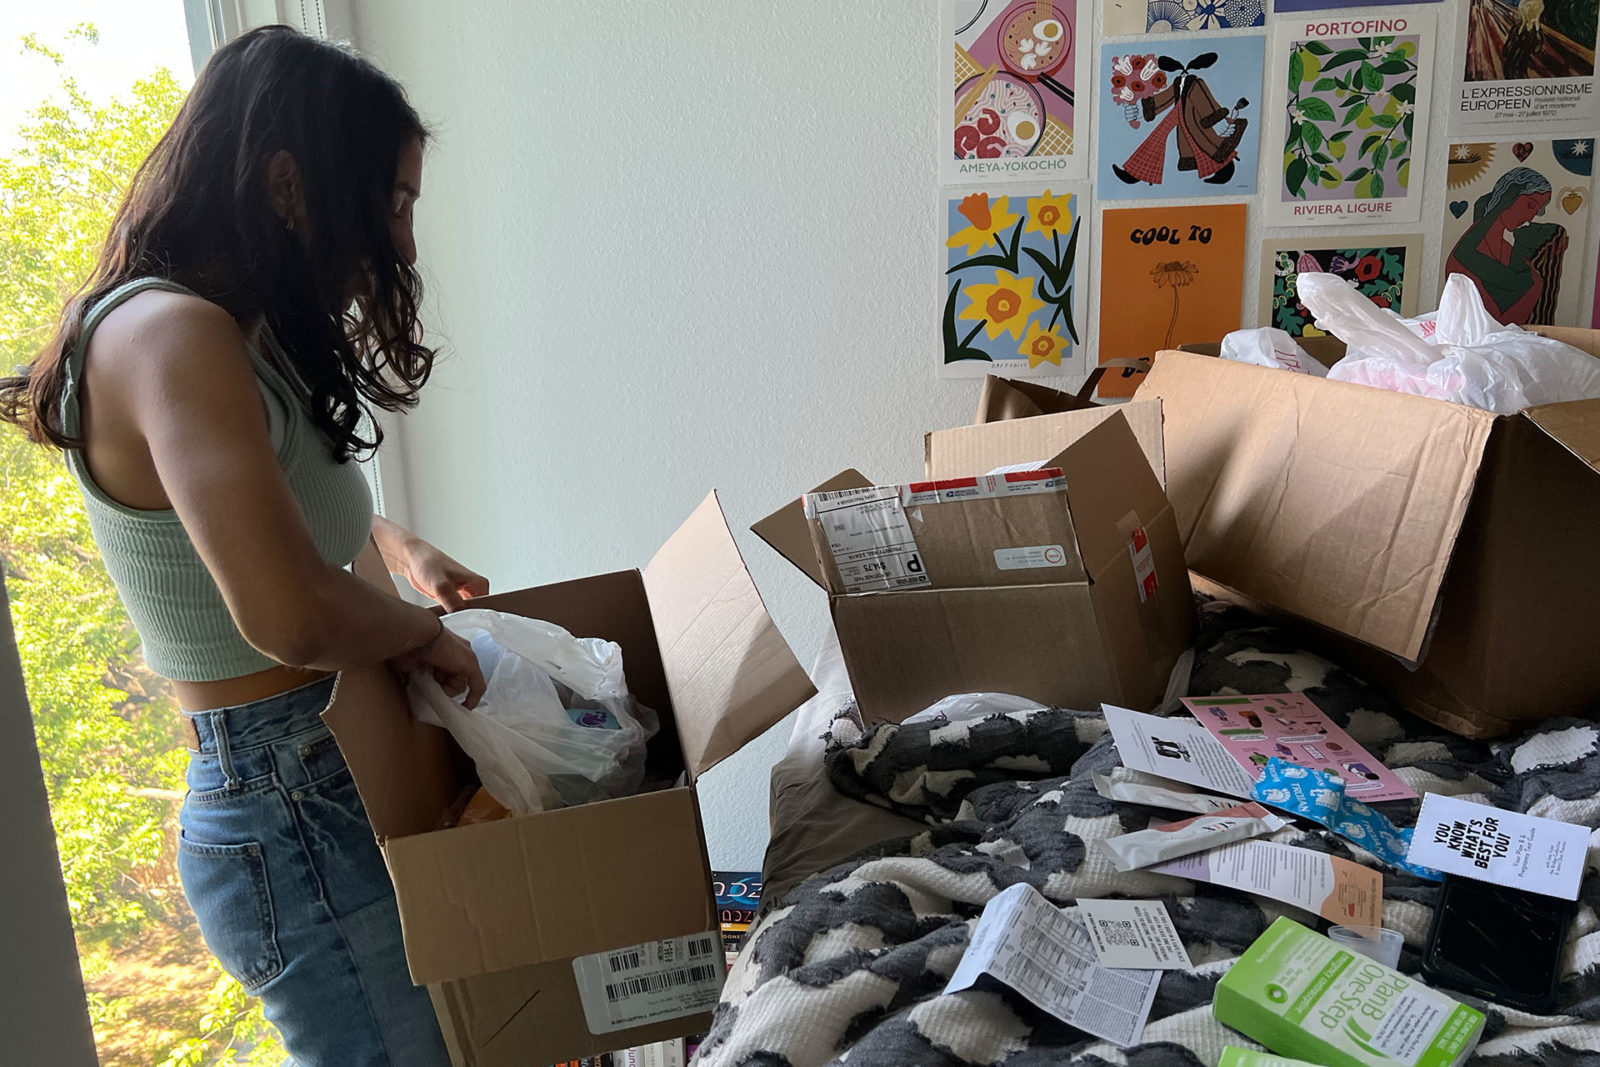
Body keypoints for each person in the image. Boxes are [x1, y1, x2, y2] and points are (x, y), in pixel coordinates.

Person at [0, 25, 487, 1066]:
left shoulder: (221, 327)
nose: (402, 244)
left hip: (319, 768)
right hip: (290, 794)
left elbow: (260, 511)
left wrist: (393, 546)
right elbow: (289, 613)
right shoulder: (169, 335)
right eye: (392, 202)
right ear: (285, 183)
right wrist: (420, 636)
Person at [1446, 166, 1567, 325]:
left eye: (1536, 211)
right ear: (1509, 196)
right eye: (1530, 206)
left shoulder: (1509, 251)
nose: (1530, 218)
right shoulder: (1466, 253)